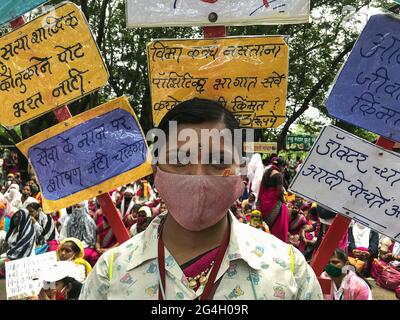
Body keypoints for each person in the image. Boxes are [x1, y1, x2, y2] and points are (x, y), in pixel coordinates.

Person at [80, 98, 322, 300]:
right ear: (156, 171)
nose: (198, 177)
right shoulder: (110, 272)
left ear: (241, 172)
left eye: (217, 162)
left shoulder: (288, 269)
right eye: (179, 160)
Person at [258, 157, 289, 242]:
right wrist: (284, 201)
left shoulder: (267, 172)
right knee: (279, 223)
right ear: (281, 166)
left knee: (266, 224)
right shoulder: (278, 175)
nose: (284, 169)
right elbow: (279, 193)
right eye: (284, 167)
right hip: (273, 202)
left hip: (264, 201)